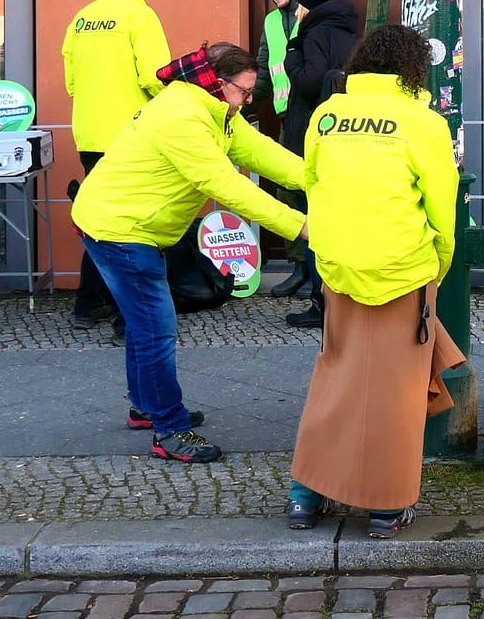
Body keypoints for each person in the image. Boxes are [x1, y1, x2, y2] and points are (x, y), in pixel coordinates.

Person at [72, 42, 308, 463]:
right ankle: (170, 430)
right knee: (156, 329)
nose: (248, 101)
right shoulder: (182, 117)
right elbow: (226, 186)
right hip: (121, 230)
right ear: (219, 84)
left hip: (127, 224)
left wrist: (317, 177)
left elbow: (260, 151)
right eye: (245, 91)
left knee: (143, 324)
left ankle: (146, 407)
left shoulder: (213, 110)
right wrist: (300, 225)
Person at [285, 23, 465, 539]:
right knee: (396, 394)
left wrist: (328, 254)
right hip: (401, 270)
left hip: (338, 269)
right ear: (413, 70)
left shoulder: (326, 115)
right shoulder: (422, 123)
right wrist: (435, 272)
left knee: (334, 379)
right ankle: (387, 507)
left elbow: (313, 186)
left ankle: (306, 495)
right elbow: (441, 212)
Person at [62, 0, 173, 330]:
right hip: (129, 136)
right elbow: (156, 77)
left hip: (89, 134)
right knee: (130, 225)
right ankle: (129, 318)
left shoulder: (81, 18)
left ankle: (87, 305)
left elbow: (71, 82)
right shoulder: (140, 15)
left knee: (97, 218)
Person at [277, 0, 359, 328]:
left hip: (312, 133)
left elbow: (309, 82)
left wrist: (291, 55)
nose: (297, 11)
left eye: (300, 5)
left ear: (309, 6)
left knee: (313, 220)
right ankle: (342, 299)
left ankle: (320, 303)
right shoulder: (350, 34)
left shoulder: (311, 34)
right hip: (346, 136)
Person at [258, 0, 312, 299]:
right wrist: (244, 99)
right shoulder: (270, 22)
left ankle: (320, 268)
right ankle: (299, 267)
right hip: (285, 119)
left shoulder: (313, 16)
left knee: (315, 193)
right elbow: (265, 67)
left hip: (313, 117)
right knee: (287, 193)